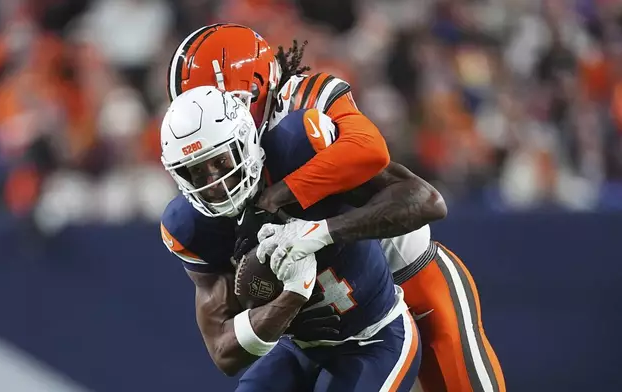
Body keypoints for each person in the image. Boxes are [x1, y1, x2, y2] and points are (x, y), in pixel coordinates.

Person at [166, 23, 505, 392]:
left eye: (224, 100)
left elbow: (374, 154)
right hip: (334, 309)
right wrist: (286, 305)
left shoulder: (304, 114)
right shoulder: (209, 167)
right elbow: (227, 332)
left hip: (407, 268)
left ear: (258, 87)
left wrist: (277, 199)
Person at [159, 86, 420, 391]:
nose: (215, 182)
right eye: (197, 172)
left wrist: (321, 232)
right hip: (298, 349)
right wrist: (292, 296)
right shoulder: (191, 225)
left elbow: (422, 199)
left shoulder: (299, 148)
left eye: (221, 161)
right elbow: (223, 352)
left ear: (245, 139)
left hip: (375, 336)